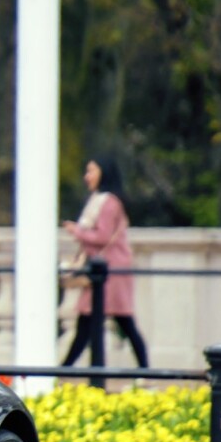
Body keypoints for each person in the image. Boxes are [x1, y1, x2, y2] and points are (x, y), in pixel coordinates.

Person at [60, 156, 149, 368]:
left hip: (110, 272)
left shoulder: (109, 203)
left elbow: (102, 236)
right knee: (95, 323)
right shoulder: (102, 200)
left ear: (103, 173)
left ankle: (62, 372)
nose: (87, 177)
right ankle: (63, 371)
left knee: (120, 323)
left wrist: (76, 231)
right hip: (105, 270)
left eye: (91, 171)